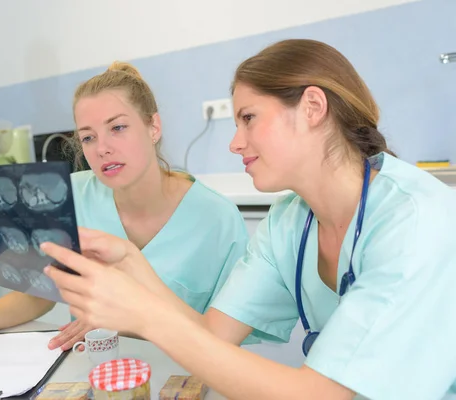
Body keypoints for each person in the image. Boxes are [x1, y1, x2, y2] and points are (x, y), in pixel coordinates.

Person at [42, 39, 456, 399]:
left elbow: (317, 393)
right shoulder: (289, 222)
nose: (235, 142)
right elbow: (211, 337)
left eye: (249, 118)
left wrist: (144, 314)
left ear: (312, 107)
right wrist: (132, 262)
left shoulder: (414, 221)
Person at [0, 61, 250, 351]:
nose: (102, 148)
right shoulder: (70, 196)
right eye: (88, 137)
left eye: (117, 128)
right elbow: (38, 294)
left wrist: (122, 320)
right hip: (92, 371)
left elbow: (225, 343)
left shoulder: (216, 219)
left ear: (153, 127)